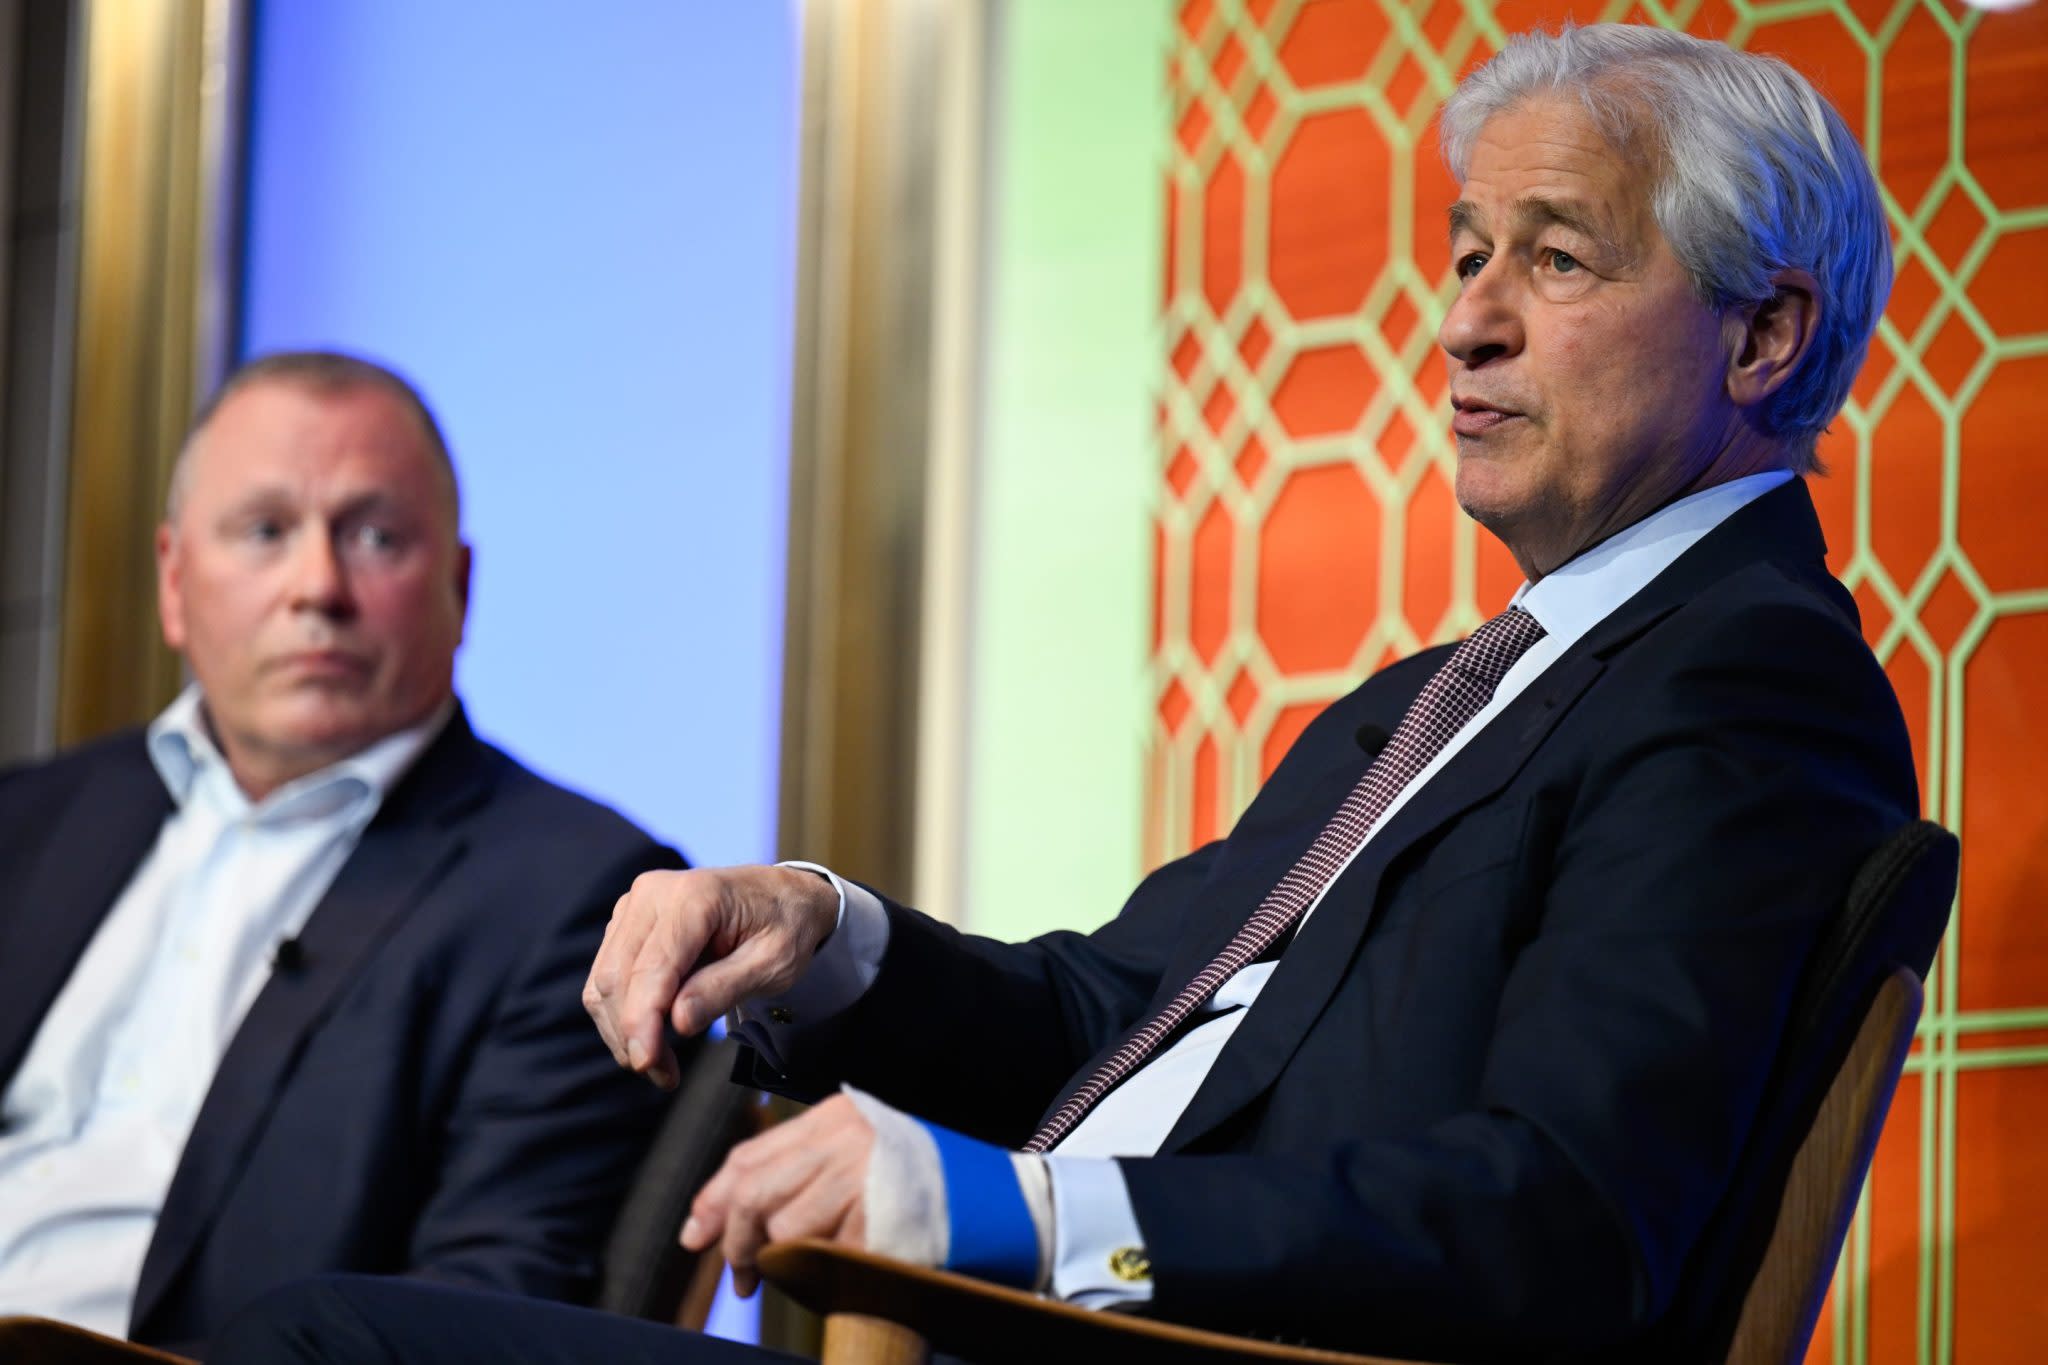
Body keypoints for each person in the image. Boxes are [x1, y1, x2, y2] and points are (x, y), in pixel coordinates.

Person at [212, 23, 1917, 1364]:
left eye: (1554, 260)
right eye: (1467, 253)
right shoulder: (1444, 695)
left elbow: (1557, 1225)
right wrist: (824, 935)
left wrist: (1007, 1219)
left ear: (1761, 337)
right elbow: (1116, 1015)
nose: (1466, 321)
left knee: (322, 1343)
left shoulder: (1746, 683)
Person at [0, 352, 685, 1356]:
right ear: (174, 581)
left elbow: (485, 1306)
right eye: (265, 531)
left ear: (458, 588)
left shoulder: (577, 896)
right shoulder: (28, 820)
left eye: (375, 537)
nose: (317, 587)